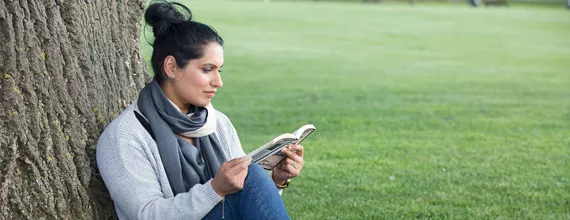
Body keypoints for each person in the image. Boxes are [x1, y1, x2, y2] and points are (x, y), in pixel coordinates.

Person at [96, 1, 305, 219]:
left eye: (219, 70)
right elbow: (145, 214)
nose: (218, 82)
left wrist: (276, 181)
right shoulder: (125, 136)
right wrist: (215, 190)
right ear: (171, 68)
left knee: (250, 174)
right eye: (207, 70)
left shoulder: (218, 123)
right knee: (251, 173)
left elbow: (245, 198)